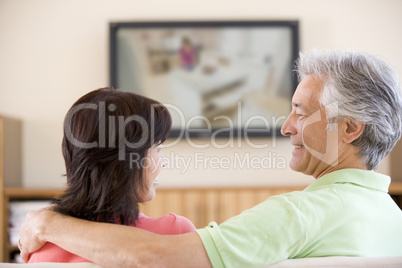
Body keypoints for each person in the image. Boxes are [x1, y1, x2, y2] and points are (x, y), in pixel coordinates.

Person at [19, 49, 402, 267]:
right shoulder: (392, 218)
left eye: (301, 112)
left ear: (351, 129)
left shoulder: (299, 216)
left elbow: (153, 258)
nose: (286, 127)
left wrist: (46, 222)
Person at [26, 88, 196, 263]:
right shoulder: (175, 233)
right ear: (119, 168)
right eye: (157, 149)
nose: (163, 162)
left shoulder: (37, 245)